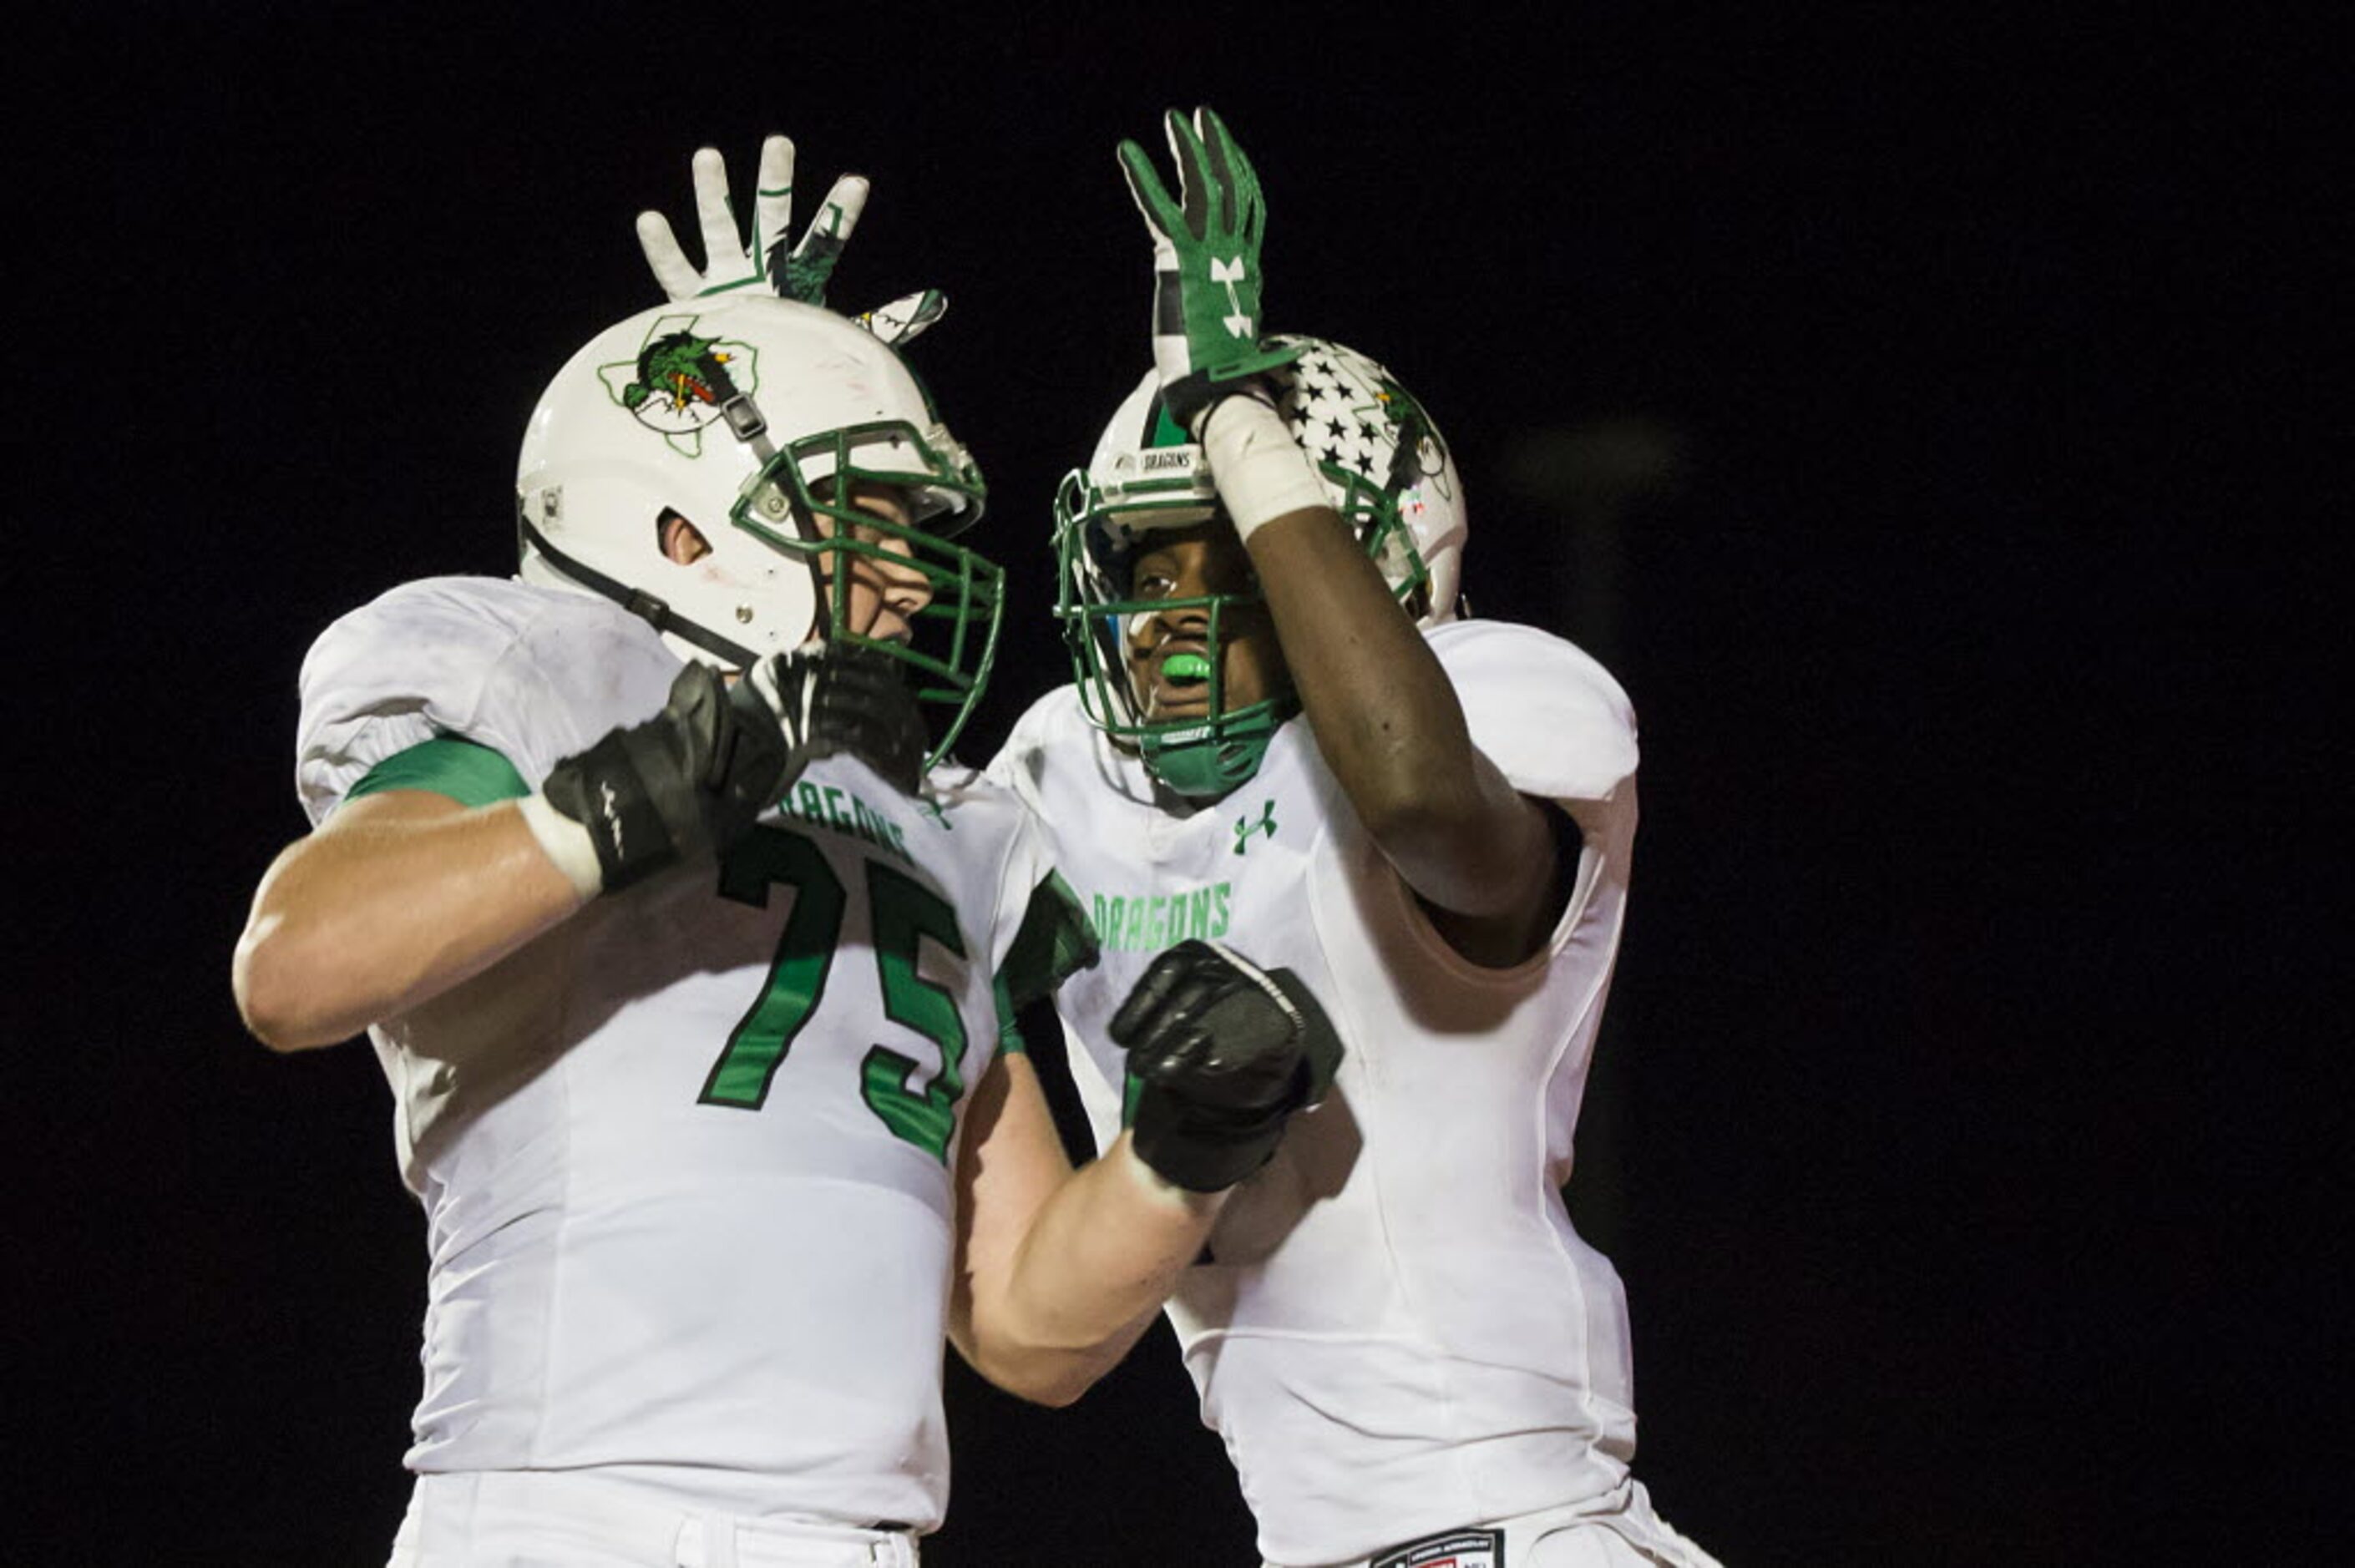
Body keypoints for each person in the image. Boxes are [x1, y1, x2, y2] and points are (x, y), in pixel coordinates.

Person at [231, 144, 1340, 1567]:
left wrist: (1185, 1142)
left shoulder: (963, 819)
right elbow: (295, 964)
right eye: (856, 521)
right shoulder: (554, 670)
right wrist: (635, 795)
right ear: (680, 520)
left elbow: (1022, 1326)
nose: (904, 575)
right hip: (574, 1513)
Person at [978, 111, 1725, 1567]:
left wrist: (1245, 435)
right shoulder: (1050, 776)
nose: (1174, 626)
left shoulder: (1500, 703)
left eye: (1231, 569)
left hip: (1522, 1522)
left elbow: (1420, 801)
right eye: (1148, 571)